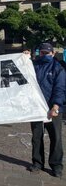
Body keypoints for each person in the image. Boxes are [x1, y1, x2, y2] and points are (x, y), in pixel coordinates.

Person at [27, 43, 65, 178]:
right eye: (42, 53)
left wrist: (56, 106)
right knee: (36, 137)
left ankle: (56, 166)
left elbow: (60, 88)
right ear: (39, 53)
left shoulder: (58, 68)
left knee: (56, 138)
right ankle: (37, 163)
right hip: (36, 108)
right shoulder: (33, 65)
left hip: (53, 109)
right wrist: (24, 58)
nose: (44, 55)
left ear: (53, 53)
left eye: (47, 53)